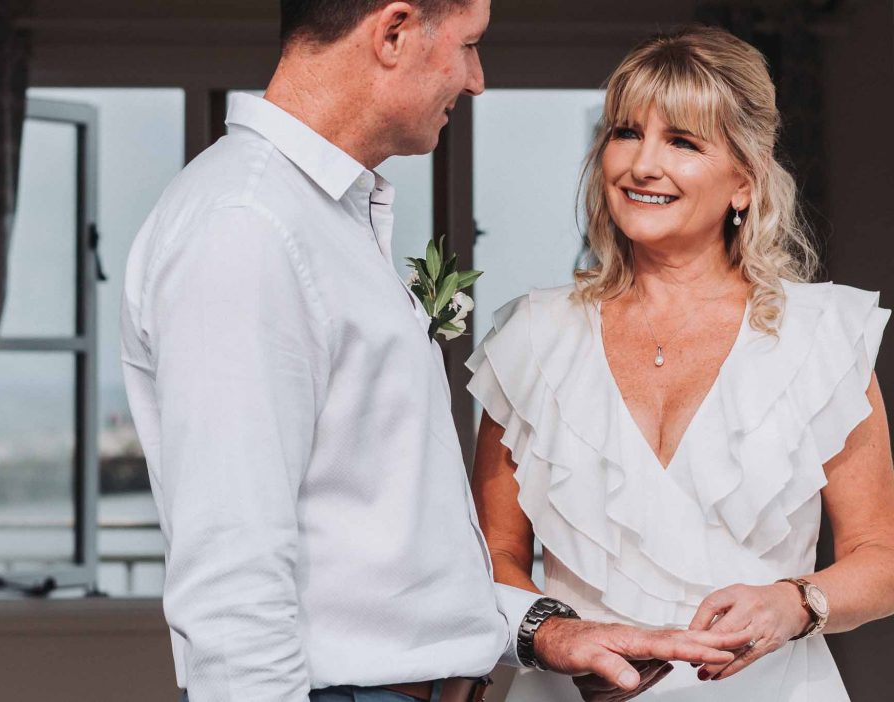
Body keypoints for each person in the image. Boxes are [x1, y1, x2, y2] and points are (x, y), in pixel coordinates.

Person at [120, 5, 751, 702]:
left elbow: (378, 546)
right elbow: (230, 572)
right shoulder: (247, 229)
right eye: (469, 46)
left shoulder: (313, 217)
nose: (477, 80)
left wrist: (544, 631)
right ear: (392, 34)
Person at [468, 25, 894, 701]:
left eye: (684, 142)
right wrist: (562, 638)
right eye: (626, 132)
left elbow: (882, 558)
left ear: (744, 184)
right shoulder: (531, 339)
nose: (642, 164)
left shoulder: (824, 339)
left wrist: (796, 602)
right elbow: (496, 556)